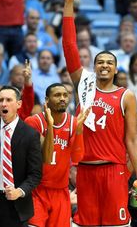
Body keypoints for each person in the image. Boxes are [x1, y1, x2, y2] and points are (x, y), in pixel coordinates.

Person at [61, 0, 137, 226]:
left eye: (110, 63)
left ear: (116, 69)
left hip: (114, 170)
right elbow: (70, 46)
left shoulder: (125, 96)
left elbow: (131, 138)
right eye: (100, 62)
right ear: (94, 67)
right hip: (85, 170)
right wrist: (68, 5)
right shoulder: (83, 83)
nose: (105, 65)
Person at [0, 86, 43, 226]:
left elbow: (35, 174)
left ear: (18, 104)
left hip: (17, 204)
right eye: (0, 100)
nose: (3, 103)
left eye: (8, 100)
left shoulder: (30, 134)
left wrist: (20, 191)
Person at [25, 83, 89, 227]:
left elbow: (78, 157)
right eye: (57, 95)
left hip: (61, 191)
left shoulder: (73, 122)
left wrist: (78, 132)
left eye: (65, 95)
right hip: (37, 190)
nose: (62, 99)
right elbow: (44, 157)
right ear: (46, 100)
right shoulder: (33, 122)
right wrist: (50, 126)